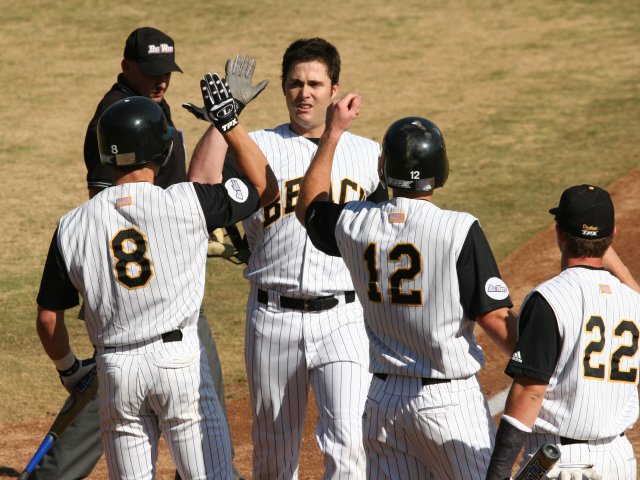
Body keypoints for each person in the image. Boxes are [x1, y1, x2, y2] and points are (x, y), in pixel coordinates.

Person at [32, 27, 248, 480]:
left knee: (137, 383)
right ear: (126, 65)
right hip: (136, 280)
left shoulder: (153, 106)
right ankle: (54, 474)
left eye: (166, 71)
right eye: (151, 71)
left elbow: (188, 184)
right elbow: (109, 207)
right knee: (124, 390)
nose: (161, 80)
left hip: (162, 266)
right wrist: (170, 232)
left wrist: (220, 125)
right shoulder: (114, 115)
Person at [187, 38, 388, 479]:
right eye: (295, 83)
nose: (305, 93)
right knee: (274, 452)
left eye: (315, 83)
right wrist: (224, 121)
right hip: (272, 317)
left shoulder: (369, 155)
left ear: (335, 90)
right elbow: (200, 182)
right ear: (281, 87)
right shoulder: (256, 144)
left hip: (345, 318)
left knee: (350, 441)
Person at [294, 104, 518, 479]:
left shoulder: (355, 223)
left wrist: (332, 134)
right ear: (440, 171)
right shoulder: (458, 229)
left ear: (384, 170)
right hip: (448, 404)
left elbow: (310, 206)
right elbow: (495, 318)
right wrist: (543, 365)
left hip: (383, 403)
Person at [486, 184, 639, 480]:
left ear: (558, 234)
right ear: (613, 237)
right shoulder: (634, 303)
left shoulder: (548, 299)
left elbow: (530, 392)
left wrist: (498, 472)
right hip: (620, 461)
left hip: (561, 465)